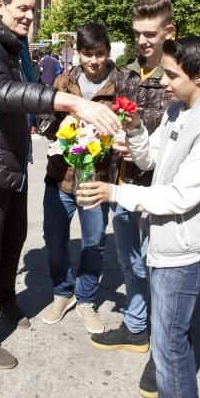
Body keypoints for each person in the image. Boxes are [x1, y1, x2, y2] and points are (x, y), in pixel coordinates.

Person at [0, 0, 120, 370]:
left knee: (15, 238)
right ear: (0, 6)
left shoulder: (13, 46)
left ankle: (4, 298)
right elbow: (1, 92)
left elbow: (26, 96)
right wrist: (73, 101)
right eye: (21, 8)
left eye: (32, 10)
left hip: (9, 161)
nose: (28, 16)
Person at [78, 36, 200, 398]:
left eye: (171, 75)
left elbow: (179, 197)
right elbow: (152, 160)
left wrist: (115, 194)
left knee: (169, 347)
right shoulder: (179, 108)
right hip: (164, 240)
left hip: (185, 251)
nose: (163, 83)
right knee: (168, 342)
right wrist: (133, 130)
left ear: (199, 76)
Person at [89, 0, 174, 398]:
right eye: (137, 33)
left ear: (168, 33)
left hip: (159, 193)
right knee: (130, 261)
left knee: (161, 269)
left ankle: (163, 351)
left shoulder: (178, 78)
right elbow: (109, 120)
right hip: (121, 183)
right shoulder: (124, 76)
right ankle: (136, 327)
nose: (141, 41)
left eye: (150, 34)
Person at [41, 22, 118, 333]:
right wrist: (52, 130)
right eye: (87, 54)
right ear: (79, 54)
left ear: (108, 53)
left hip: (95, 181)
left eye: (99, 54)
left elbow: (128, 123)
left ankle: (85, 299)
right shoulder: (64, 80)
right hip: (59, 177)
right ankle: (62, 292)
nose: (93, 61)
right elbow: (45, 114)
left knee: (93, 243)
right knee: (54, 240)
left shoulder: (119, 83)